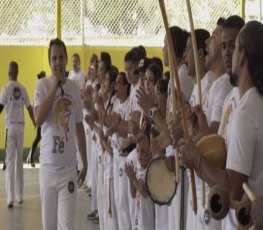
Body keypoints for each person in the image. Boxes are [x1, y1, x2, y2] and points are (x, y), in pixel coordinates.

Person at [180, 21, 263, 230]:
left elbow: (232, 190)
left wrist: (196, 159)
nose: (229, 55)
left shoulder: (245, 114)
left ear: (242, 56)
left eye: (233, 48)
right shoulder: (253, 103)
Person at [34, 38, 87, 230]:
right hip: (48, 171)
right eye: (54, 58)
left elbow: (79, 126)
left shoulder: (73, 88)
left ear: (66, 60)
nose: (58, 62)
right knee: (49, 226)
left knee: (67, 226)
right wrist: (54, 85)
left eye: (61, 58)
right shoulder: (42, 86)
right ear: (50, 62)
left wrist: (84, 161)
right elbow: (38, 119)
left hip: (68, 170)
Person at [0, 61, 35, 208]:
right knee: (19, 162)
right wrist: (35, 122)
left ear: (9, 73)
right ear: (18, 72)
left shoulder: (6, 88)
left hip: (10, 128)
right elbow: (29, 108)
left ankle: (10, 199)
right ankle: (20, 196)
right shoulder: (23, 88)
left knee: (10, 162)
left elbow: (0, 107)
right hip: (21, 128)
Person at [26, 71, 46, 167]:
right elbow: (34, 106)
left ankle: (33, 157)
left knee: (41, 138)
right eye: (43, 77)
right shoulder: (38, 90)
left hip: (45, 118)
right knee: (38, 137)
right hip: (40, 118)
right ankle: (30, 158)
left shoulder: (45, 88)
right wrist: (35, 120)